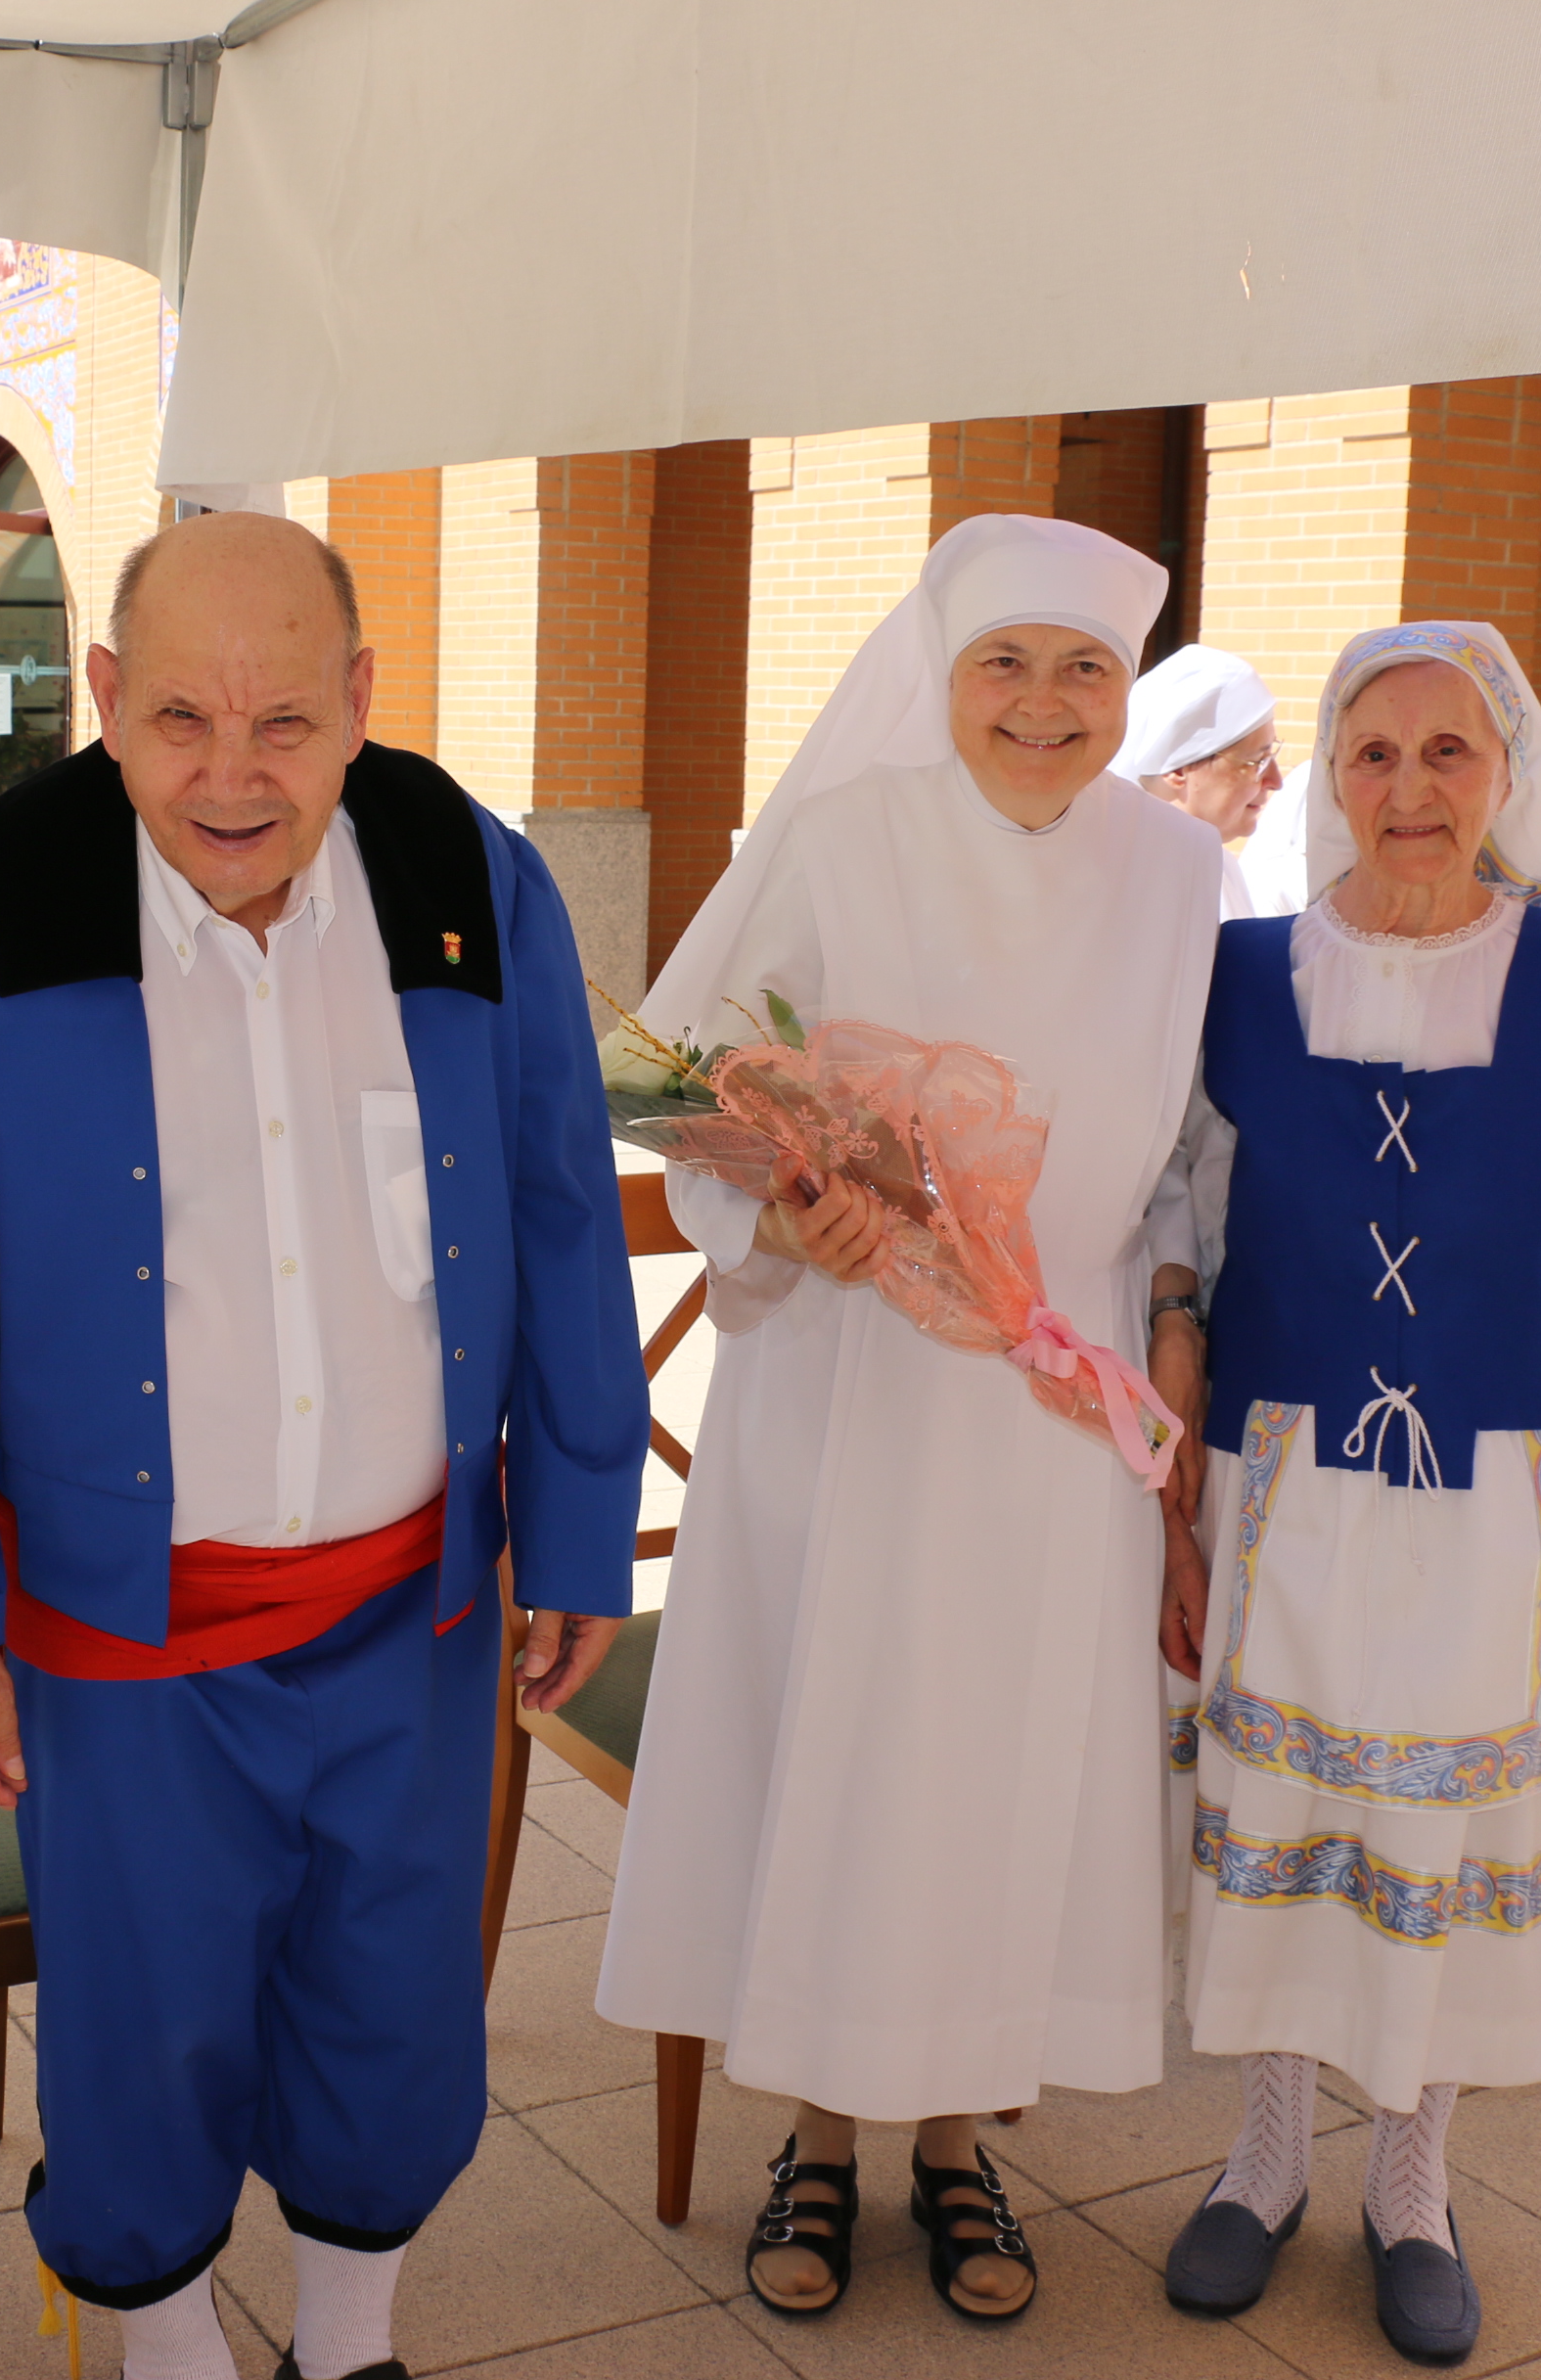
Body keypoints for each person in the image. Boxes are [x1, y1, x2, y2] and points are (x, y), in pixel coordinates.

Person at [0, 511, 646, 2380]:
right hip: (119, 1637)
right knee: (147, 2023)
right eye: (180, 714)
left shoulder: (467, 876)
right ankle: (172, 2346)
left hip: (409, 1615)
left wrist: (582, 1525)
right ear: (101, 699)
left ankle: (347, 2342)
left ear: (360, 702)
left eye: (284, 718)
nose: (230, 772)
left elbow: (555, 1214)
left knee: (390, 2001)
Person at [597, 515, 1222, 2330]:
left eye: (1083, 668)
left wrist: (1164, 1314)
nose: (1043, 703)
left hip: (1046, 1397)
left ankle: (957, 2135)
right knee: (845, 1730)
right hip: (853, 1382)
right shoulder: (836, 833)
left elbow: (1183, 1148)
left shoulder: (1181, 874)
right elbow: (680, 1085)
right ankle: (811, 2127)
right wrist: (788, 1212)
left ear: (1128, 691)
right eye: (1003, 664)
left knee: (997, 1758)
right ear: (938, 675)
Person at [1157, 622, 1541, 2365]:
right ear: (1326, 776)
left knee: (1449, 1842)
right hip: (1284, 1487)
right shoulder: (1237, 974)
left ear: (1505, 774)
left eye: (1447, 753)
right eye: (1372, 753)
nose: (1409, 788)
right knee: (1278, 1823)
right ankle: (1259, 2162)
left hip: (1510, 1502)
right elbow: (1181, 1221)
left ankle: (1413, 2178)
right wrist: (1171, 1486)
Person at [1121, 642, 1287, 920]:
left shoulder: (1214, 864)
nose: (1275, 780)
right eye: (1257, 761)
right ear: (1179, 769)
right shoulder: (1136, 878)